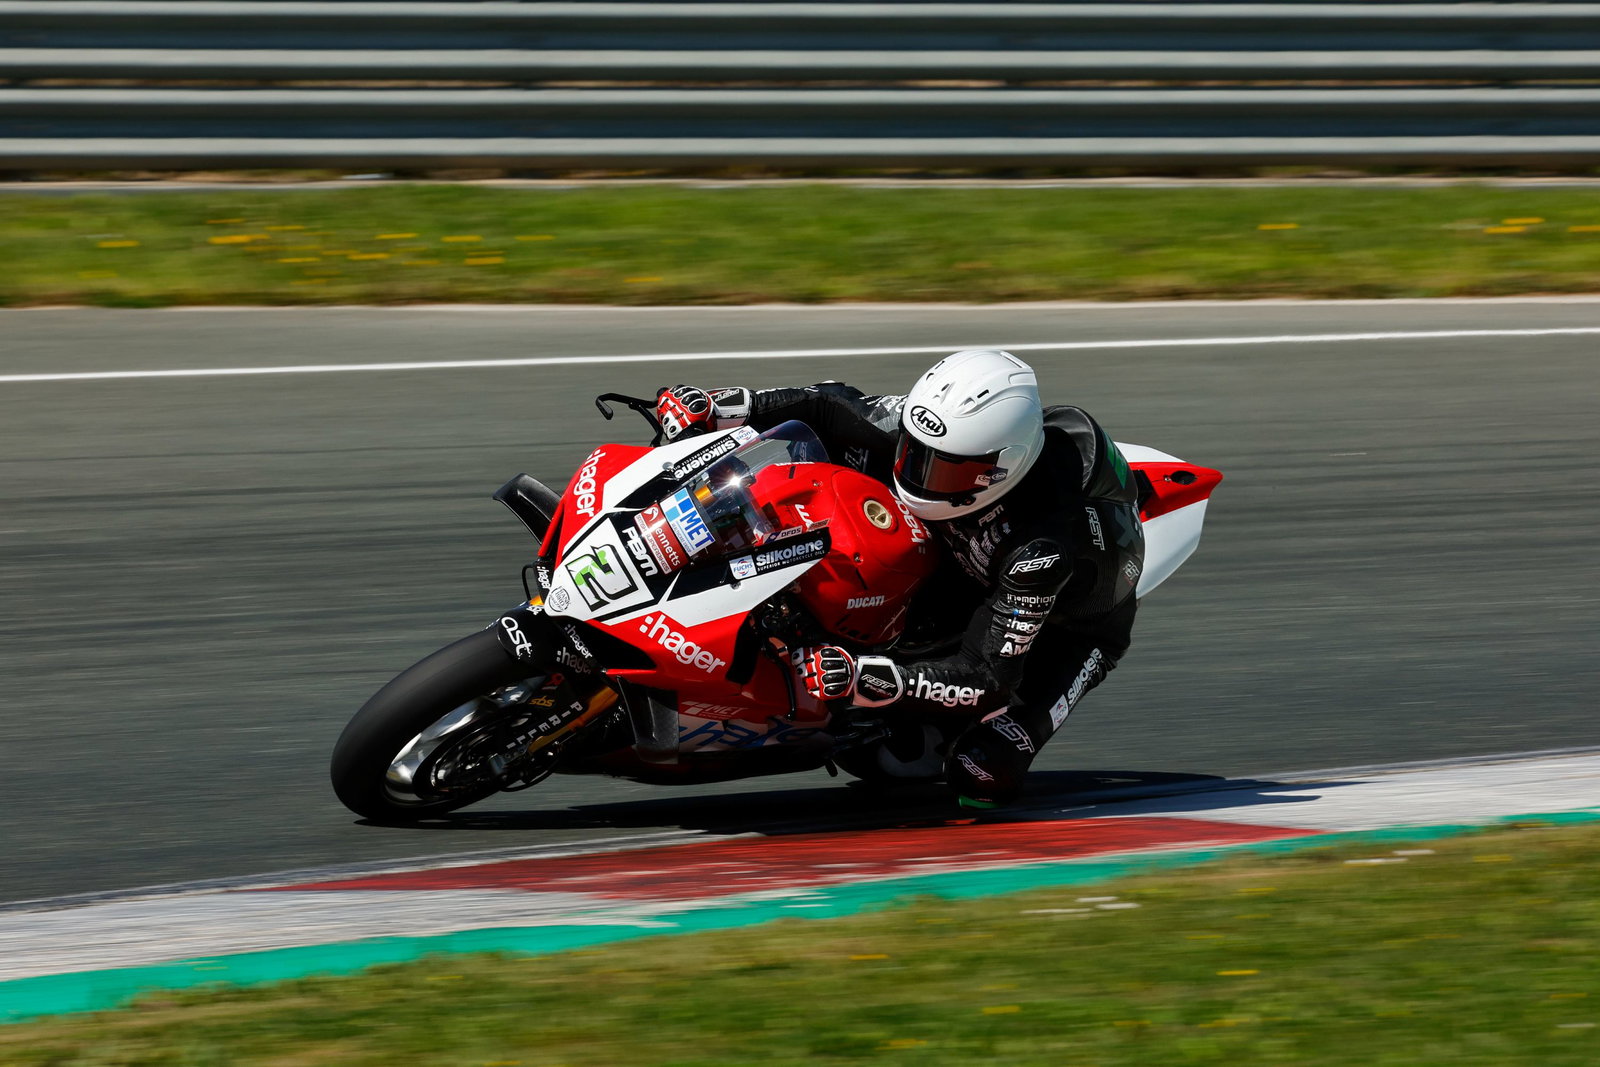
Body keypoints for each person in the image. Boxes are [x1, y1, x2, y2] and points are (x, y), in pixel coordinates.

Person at [653, 350, 1144, 807]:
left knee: (982, 772)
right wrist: (726, 406)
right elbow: (830, 405)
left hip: (1072, 628)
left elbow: (987, 677)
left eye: (943, 470)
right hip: (957, 554)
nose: (918, 475)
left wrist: (865, 678)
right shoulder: (942, 432)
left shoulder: (1040, 550)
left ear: (999, 471)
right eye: (914, 452)